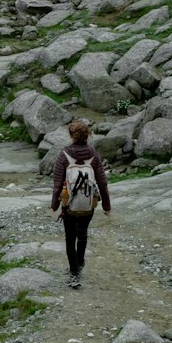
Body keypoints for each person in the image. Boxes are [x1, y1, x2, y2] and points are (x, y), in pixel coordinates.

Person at [50, 119, 111, 289]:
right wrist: (106, 205)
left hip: (68, 205)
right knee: (82, 233)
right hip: (88, 204)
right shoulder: (94, 154)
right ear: (87, 136)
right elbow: (102, 182)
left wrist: (55, 204)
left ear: (71, 136)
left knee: (70, 238)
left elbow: (57, 184)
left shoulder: (64, 155)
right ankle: (81, 262)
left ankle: (74, 272)